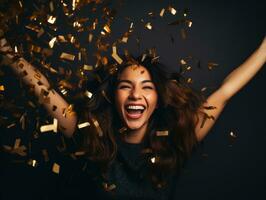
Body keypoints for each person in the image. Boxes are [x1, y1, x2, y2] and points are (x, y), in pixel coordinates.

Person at [0, 32, 266, 199]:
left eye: (146, 87)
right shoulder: (89, 134)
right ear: (113, 96)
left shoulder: (177, 138)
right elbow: (43, 90)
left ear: (158, 99)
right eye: (126, 86)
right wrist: (7, 53)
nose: (135, 95)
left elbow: (226, 90)